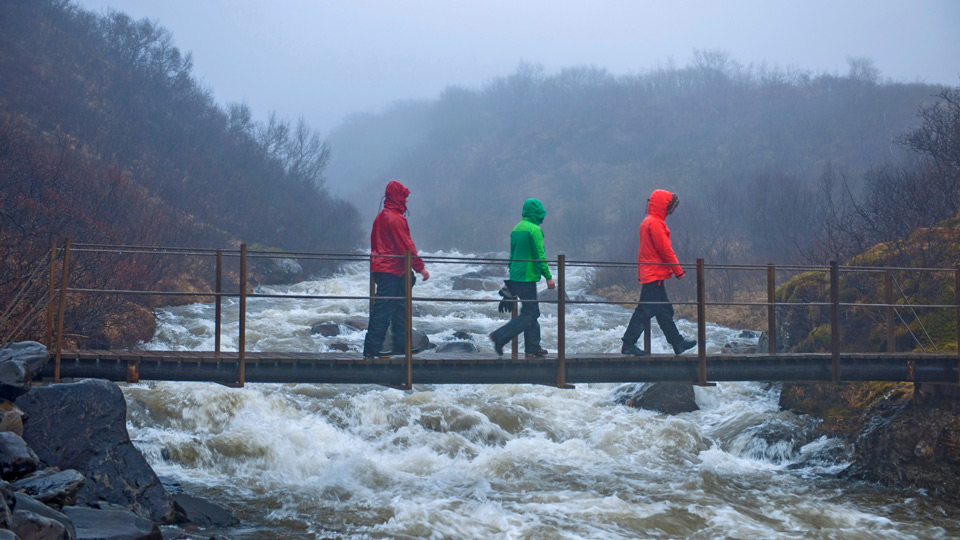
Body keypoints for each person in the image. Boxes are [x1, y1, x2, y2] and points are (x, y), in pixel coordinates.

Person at [620, 189, 697, 356]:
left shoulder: (648, 221)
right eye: (669, 206)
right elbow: (665, 249)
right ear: (663, 205)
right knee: (645, 310)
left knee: (663, 310)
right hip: (654, 274)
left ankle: (677, 343)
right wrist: (678, 270)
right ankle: (628, 343)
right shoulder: (655, 223)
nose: (671, 211)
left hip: (651, 273)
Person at [362, 180, 429, 359]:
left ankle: (399, 346)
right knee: (385, 309)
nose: (406, 201)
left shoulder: (382, 216)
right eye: (404, 197)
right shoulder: (396, 219)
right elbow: (406, 246)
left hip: (384, 268)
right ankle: (372, 349)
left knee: (398, 307)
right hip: (391, 269)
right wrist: (420, 268)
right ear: (397, 197)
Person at [489, 198, 556, 358]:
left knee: (530, 311)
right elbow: (540, 255)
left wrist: (511, 275)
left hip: (516, 275)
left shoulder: (517, 228)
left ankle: (532, 348)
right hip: (527, 276)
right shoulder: (534, 230)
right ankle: (500, 336)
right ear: (537, 213)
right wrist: (548, 277)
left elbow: (512, 254)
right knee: (531, 313)